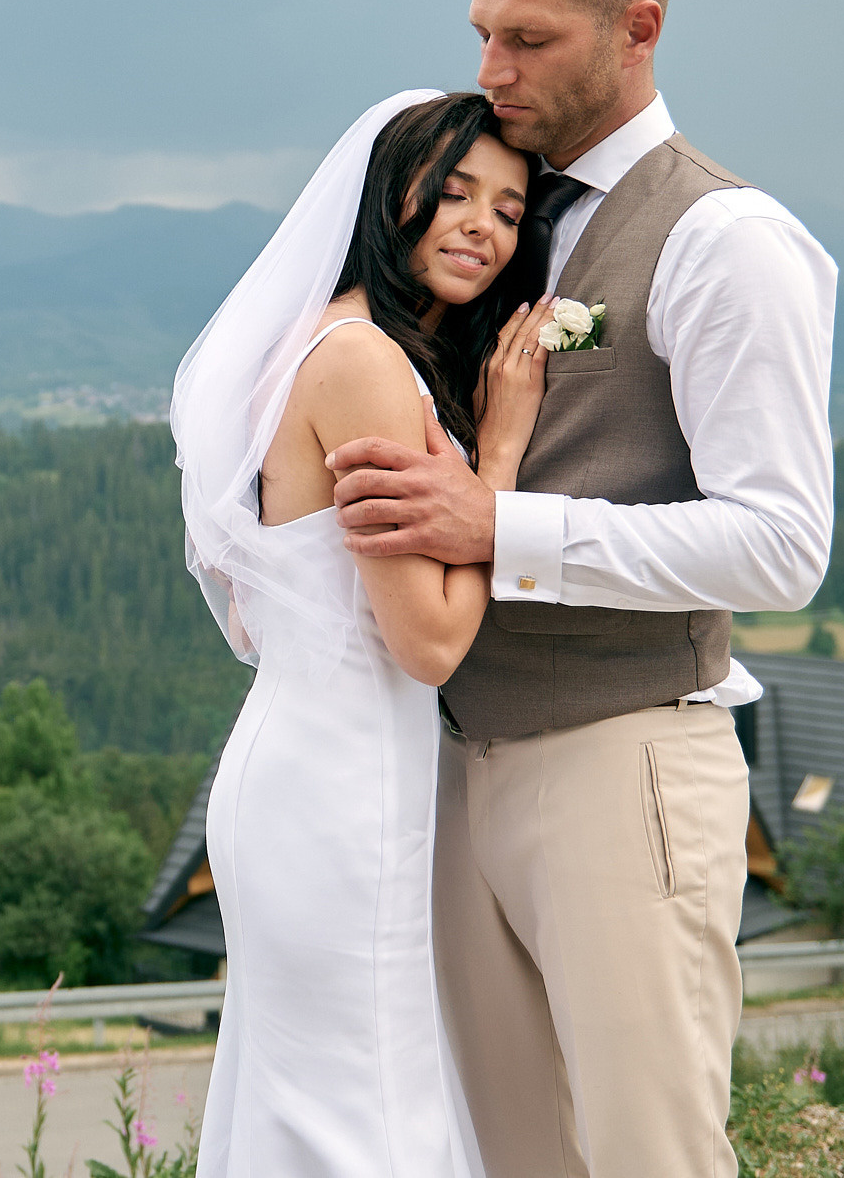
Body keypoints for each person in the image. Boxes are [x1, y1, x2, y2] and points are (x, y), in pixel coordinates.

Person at [327, 0, 839, 1177]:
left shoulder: (724, 237)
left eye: (531, 37)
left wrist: (504, 524)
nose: (493, 65)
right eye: (483, 30)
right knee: (518, 1158)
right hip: (457, 767)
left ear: (640, 27)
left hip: (627, 767)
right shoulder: (479, 209)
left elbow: (782, 543)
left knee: (648, 1154)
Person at [173, 89, 560, 1177]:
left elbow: (254, 601)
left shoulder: (313, 342)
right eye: (450, 193)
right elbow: (429, 641)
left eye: (506, 207)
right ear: (386, 196)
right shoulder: (363, 364)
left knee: (309, 1100)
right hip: (341, 788)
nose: (480, 225)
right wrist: (498, 459)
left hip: (299, 760)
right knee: (367, 1108)